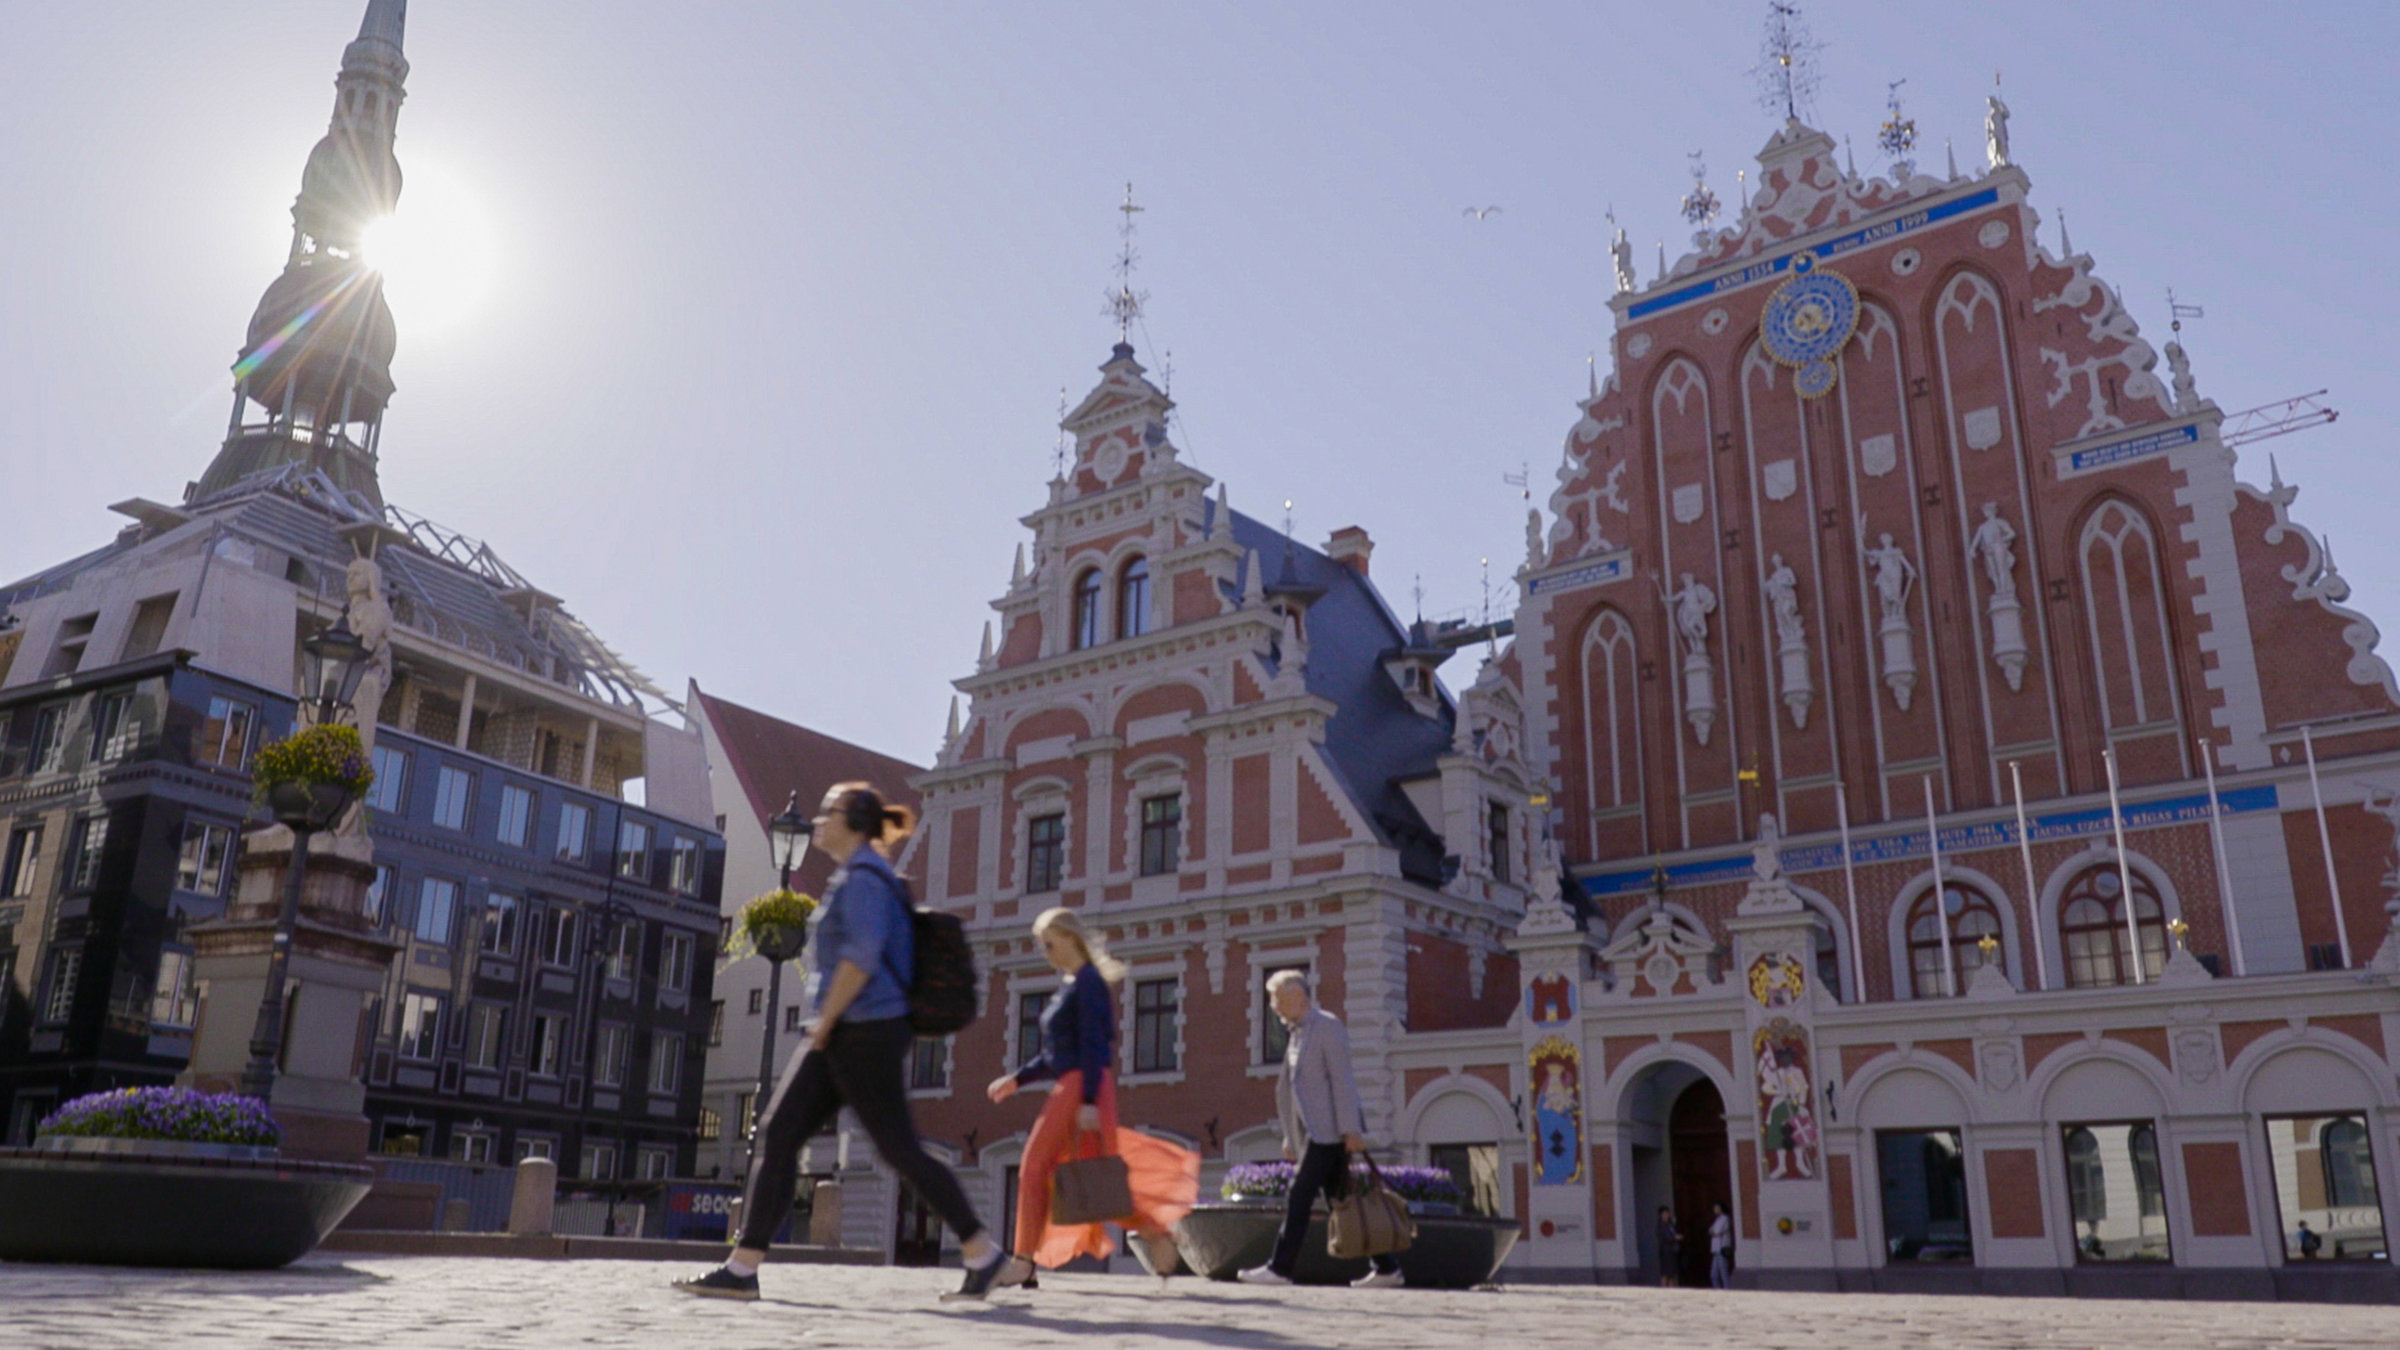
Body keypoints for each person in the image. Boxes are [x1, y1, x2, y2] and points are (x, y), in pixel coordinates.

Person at [675, 783, 1007, 1303]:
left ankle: (982, 1252)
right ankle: (743, 1267)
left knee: (895, 1148)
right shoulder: (861, 876)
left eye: (827, 812)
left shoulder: (864, 881)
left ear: (851, 822)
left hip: (860, 1029)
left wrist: (825, 1021)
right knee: (783, 1134)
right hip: (852, 1029)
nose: (817, 822)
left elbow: (861, 957)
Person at [985, 907, 1199, 1289]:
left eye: (1049, 943)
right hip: (1073, 1083)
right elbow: (1054, 1053)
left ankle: (1023, 1261)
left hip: (1082, 1084)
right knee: (1089, 1175)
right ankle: (1153, 1229)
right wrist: (1017, 1079)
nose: (1045, 952)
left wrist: (1086, 1101)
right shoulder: (1071, 985)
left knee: (1037, 1166)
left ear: (1071, 938)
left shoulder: (1088, 983)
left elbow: (1094, 1044)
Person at [1238, 971, 1402, 1288]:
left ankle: (1280, 1268)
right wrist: (1290, 1136)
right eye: (1273, 1000)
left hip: (1330, 1133)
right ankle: (1388, 1268)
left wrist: (1351, 1129)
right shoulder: (1297, 1033)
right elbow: (1292, 1090)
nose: (1274, 1006)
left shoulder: (1327, 1026)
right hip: (1315, 1133)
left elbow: (1342, 1081)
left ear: (1299, 997)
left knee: (1300, 1194)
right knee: (1342, 1199)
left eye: (1278, 999)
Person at [1707, 1201, 1733, 1289]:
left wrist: (1713, 1232)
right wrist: (1712, 1231)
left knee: (1724, 1274)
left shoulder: (1725, 1219)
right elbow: (1710, 1230)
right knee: (1713, 1275)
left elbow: (1717, 1231)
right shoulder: (1717, 1219)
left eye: (1716, 1208)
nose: (1714, 1210)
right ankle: (1719, 1291)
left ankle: (1728, 1291)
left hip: (1722, 1250)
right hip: (1716, 1250)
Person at [1656, 1205, 1681, 1287]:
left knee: (1671, 1274)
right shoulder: (1660, 1225)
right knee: (1665, 1274)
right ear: (1661, 1215)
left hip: (1671, 1251)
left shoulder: (1669, 1225)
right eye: (1664, 1213)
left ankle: (1672, 1289)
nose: (1667, 1215)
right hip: (1665, 1252)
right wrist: (1675, 1237)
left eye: (1667, 1213)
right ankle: (1664, 1288)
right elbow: (1666, 1237)